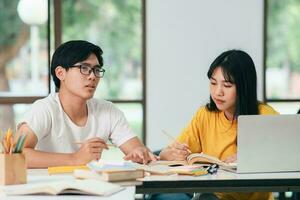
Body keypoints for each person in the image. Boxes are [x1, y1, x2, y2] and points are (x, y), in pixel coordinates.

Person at [18, 40, 157, 168]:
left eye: (97, 70)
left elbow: (138, 151)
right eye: (84, 68)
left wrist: (142, 153)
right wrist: (74, 159)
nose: (92, 76)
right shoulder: (44, 109)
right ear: (61, 73)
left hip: (93, 189)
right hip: (48, 191)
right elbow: (14, 154)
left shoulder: (108, 110)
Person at [159, 50, 278, 200]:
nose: (217, 92)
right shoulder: (205, 115)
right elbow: (170, 152)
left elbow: (288, 157)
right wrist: (167, 154)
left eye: (227, 85)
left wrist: (251, 159)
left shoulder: (265, 116)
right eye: (213, 83)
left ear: (244, 87)